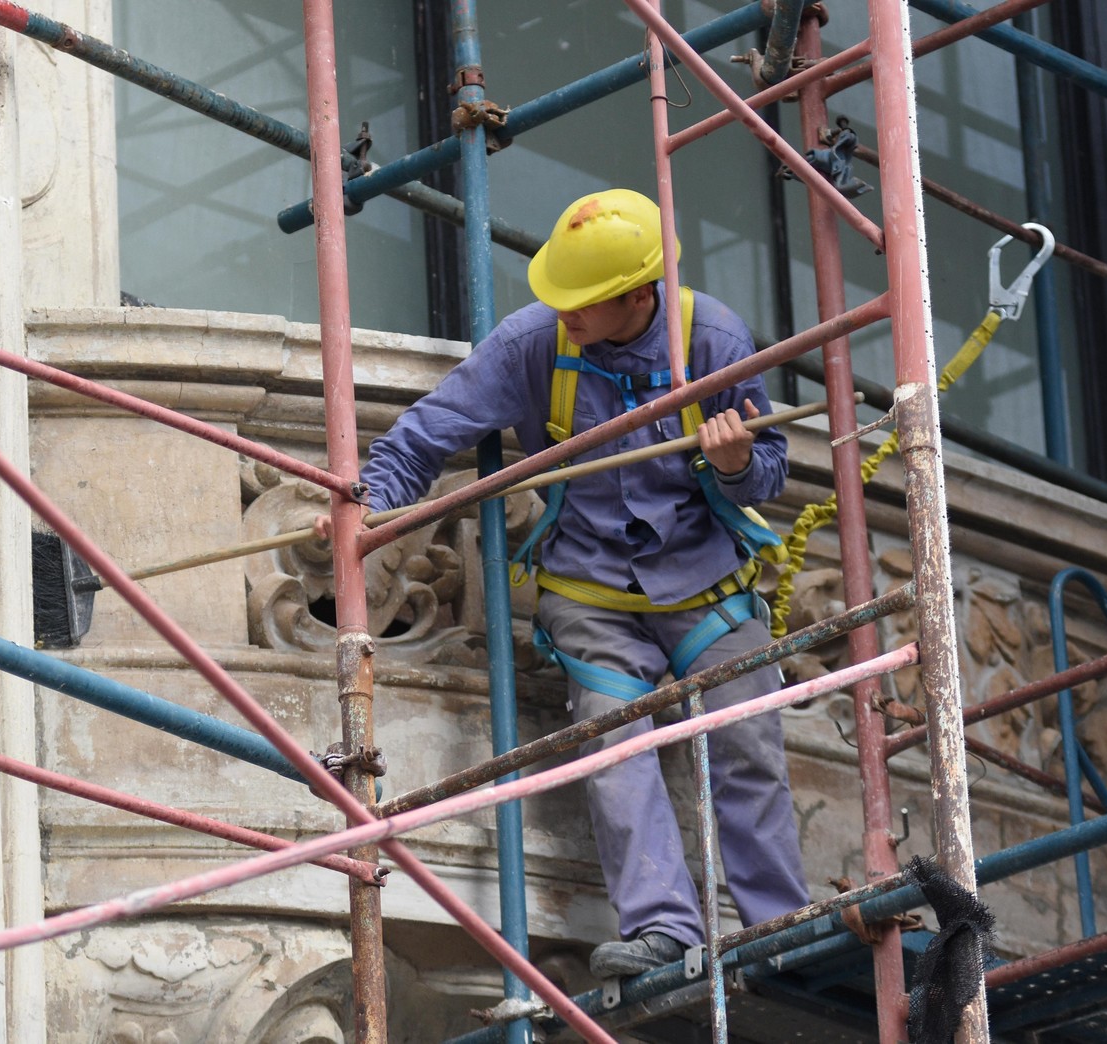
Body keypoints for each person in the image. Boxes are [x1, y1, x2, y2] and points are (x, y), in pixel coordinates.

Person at [321, 188, 810, 978]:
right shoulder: (531, 344)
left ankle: (780, 927)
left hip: (706, 587)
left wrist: (735, 462)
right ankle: (663, 928)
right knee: (610, 738)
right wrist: (366, 505)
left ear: (638, 293)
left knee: (746, 734)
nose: (565, 312)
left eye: (583, 301)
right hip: (591, 591)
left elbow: (766, 475)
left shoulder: (711, 338)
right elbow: (424, 437)